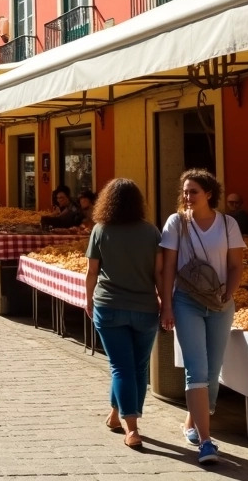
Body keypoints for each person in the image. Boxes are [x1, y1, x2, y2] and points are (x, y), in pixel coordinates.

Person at [159, 169, 246, 465]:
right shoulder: (176, 223)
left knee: (212, 371)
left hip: (221, 303)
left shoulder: (228, 223)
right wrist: (167, 304)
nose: (187, 196)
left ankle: (191, 423)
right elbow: (168, 266)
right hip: (187, 301)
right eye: (185, 191)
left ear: (209, 194)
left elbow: (235, 265)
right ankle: (206, 443)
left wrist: (228, 292)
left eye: (193, 191)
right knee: (196, 369)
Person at [84, 179, 163, 450]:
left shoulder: (100, 229)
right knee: (137, 368)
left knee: (121, 367)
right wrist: (165, 301)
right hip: (145, 308)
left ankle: (132, 429)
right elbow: (159, 273)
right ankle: (117, 417)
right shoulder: (151, 232)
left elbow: (92, 271)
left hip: (109, 306)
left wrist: (87, 299)